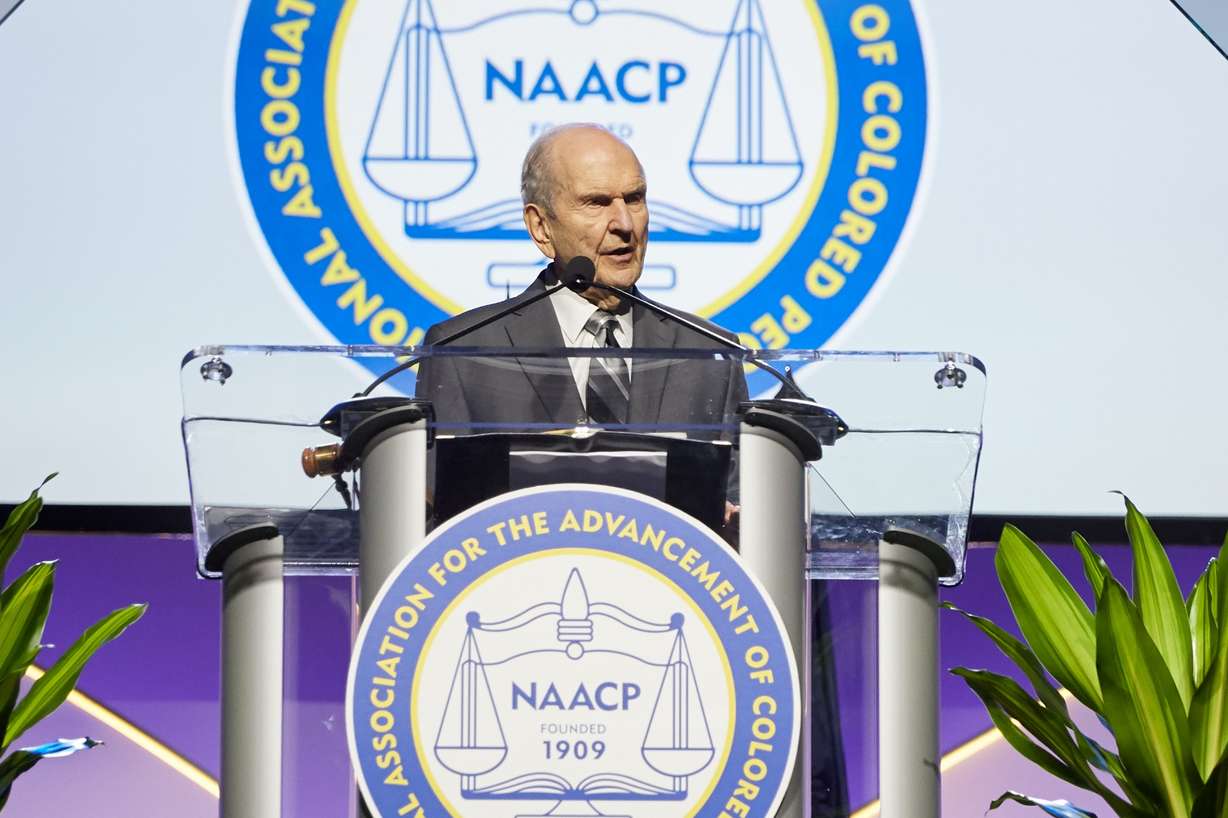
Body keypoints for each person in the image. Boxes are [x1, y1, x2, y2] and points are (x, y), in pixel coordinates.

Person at [415, 123, 747, 431]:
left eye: (634, 199)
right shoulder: (462, 353)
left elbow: (740, 489)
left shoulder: (711, 354)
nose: (625, 224)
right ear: (541, 228)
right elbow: (435, 490)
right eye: (596, 203)